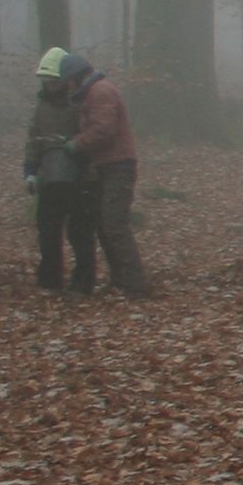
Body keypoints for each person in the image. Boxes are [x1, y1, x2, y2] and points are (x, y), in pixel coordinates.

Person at [58, 50, 153, 299]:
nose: (67, 86)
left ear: (76, 76)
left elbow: (103, 131)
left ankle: (135, 286)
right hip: (106, 166)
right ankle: (120, 279)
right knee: (104, 224)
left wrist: (77, 143)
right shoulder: (91, 93)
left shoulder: (100, 92)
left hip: (117, 166)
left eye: (68, 80)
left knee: (114, 224)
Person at [22, 49, 101, 292]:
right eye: (47, 82)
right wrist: (30, 171)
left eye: (54, 81)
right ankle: (50, 278)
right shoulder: (42, 106)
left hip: (78, 174)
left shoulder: (79, 102)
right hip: (49, 175)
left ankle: (84, 280)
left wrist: (85, 162)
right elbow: (34, 139)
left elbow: (91, 135)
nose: (50, 86)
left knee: (80, 231)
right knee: (47, 230)